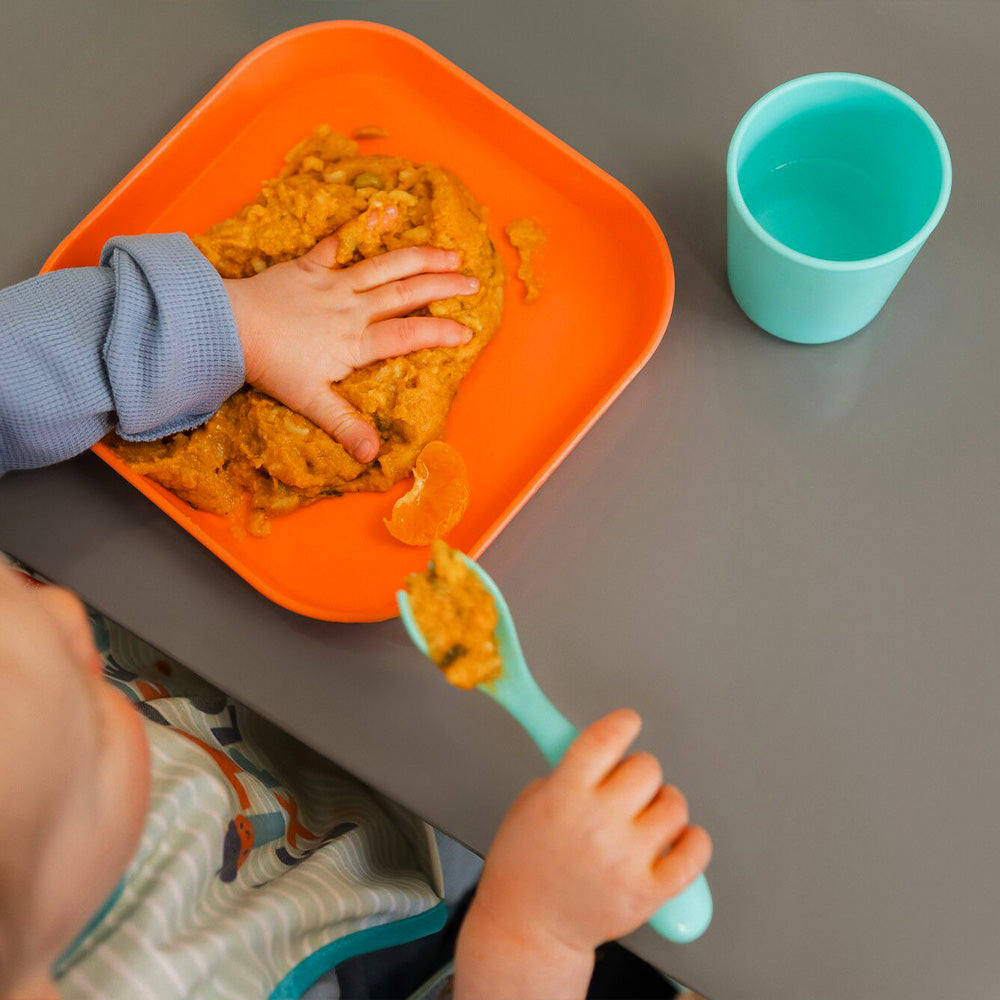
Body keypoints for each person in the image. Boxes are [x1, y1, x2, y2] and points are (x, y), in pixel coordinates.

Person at [0, 232, 711, 999]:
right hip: (394, 891)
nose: (71, 617)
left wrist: (229, 322)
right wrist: (531, 938)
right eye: (91, 721)